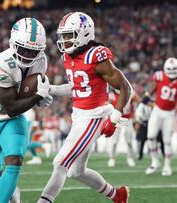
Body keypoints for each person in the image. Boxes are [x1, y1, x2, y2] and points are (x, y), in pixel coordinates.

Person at [38, 12, 133, 203]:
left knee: (60, 163)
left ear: (84, 34)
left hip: (94, 117)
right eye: (63, 36)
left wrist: (114, 118)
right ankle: (118, 195)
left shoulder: (95, 56)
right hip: (80, 116)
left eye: (69, 35)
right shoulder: (70, 56)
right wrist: (52, 89)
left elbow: (125, 88)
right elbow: (78, 87)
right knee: (75, 171)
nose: (64, 40)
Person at [0, 17, 53, 203]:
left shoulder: (41, 60)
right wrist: (36, 98)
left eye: (33, 50)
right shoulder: (0, 63)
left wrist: (37, 99)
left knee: (14, 161)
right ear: (12, 43)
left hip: (14, 119)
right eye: (23, 48)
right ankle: (12, 193)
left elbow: (21, 99)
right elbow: (9, 107)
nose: (27, 54)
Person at [139, 57, 177, 176]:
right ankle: (154, 161)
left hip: (170, 113)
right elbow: (151, 91)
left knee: (167, 141)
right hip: (157, 110)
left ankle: (167, 165)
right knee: (150, 136)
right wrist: (142, 104)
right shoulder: (159, 76)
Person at [107, 89, 139, 167]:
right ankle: (112, 158)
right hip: (117, 119)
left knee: (129, 141)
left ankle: (130, 157)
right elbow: (107, 107)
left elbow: (139, 101)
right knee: (114, 141)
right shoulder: (112, 95)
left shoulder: (131, 93)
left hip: (128, 119)